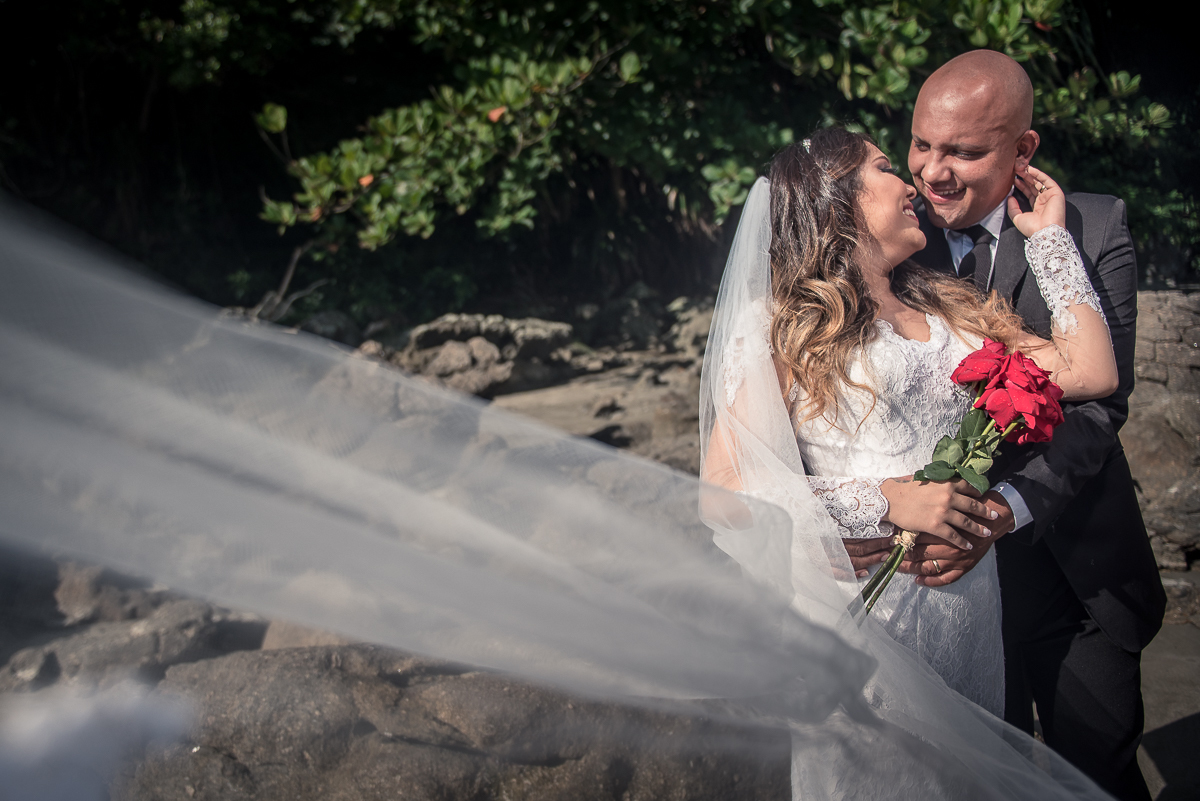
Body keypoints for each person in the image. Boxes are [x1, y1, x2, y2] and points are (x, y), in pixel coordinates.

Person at [701, 123, 1117, 725]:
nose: (911, 183)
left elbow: (1092, 370)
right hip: (867, 610)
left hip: (969, 603)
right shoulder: (785, 327)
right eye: (885, 167)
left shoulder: (951, 311)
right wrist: (884, 501)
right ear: (835, 199)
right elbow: (722, 493)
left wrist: (1050, 241)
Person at [844, 50, 1166, 801]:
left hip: (1071, 571)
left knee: (1101, 771)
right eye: (922, 144)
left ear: (1023, 150)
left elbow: (1099, 401)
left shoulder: (1094, 224)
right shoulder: (888, 229)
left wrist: (1002, 512)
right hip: (934, 586)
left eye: (964, 151)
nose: (932, 171)